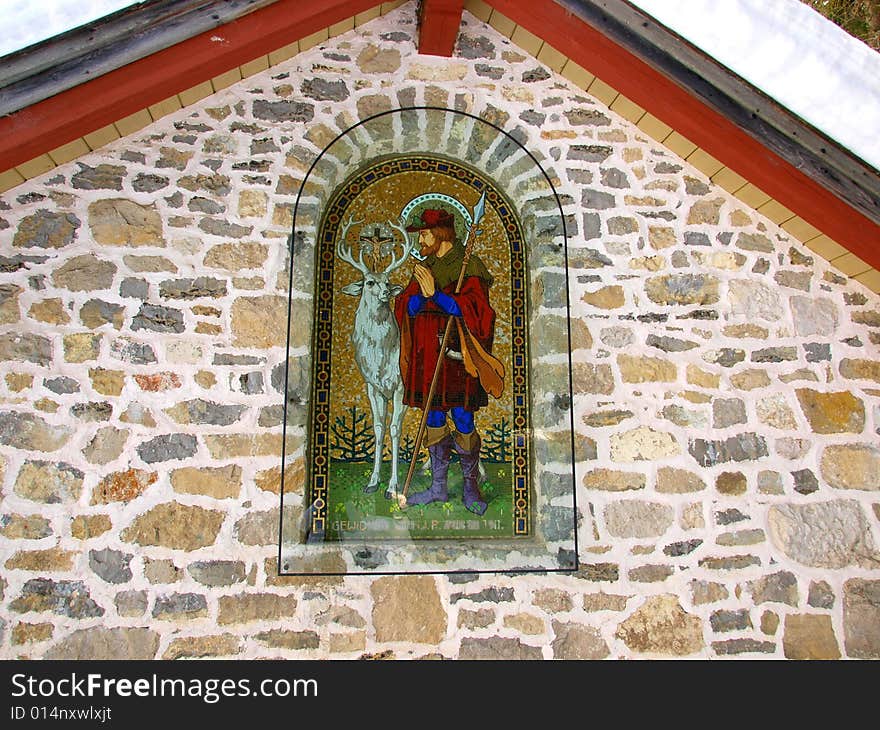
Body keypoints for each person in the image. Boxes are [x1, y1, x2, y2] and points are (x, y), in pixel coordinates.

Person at [394, 207, 503, 515]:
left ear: (440, 234)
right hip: (429, 359)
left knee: (463, 419)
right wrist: (424, 298)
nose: (421, 240)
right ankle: (438, 489)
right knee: (434, 419)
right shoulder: (426, 266)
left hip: (457, 359)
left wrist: (439, 297)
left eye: (425, 234)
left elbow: (479, 313)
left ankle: (471, 489)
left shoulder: (469, 266)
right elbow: (406, 305)